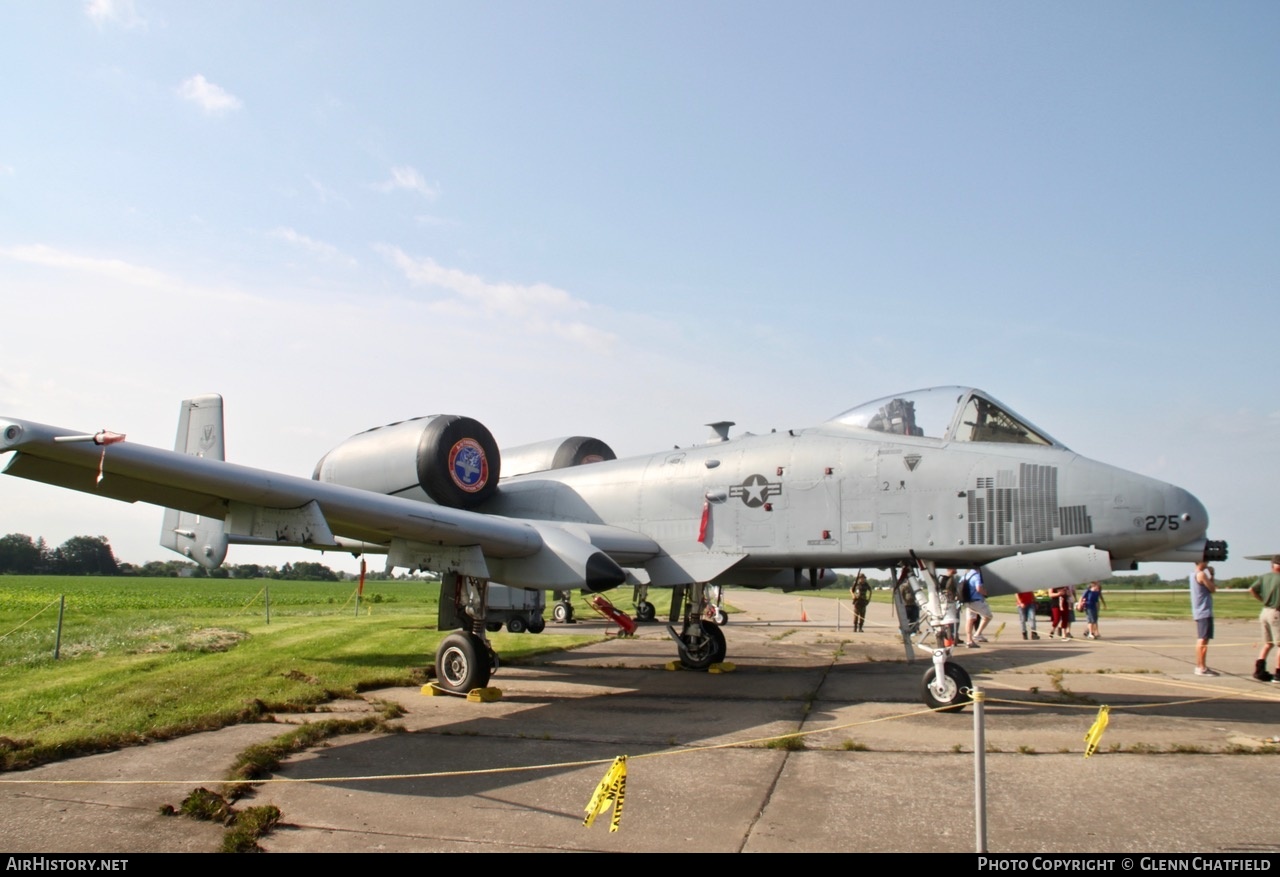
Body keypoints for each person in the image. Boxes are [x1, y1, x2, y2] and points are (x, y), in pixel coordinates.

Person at [1248, 555, 1280, 683]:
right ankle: (1278, 673)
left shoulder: (1264, 577)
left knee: (1268, 643)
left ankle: (1259, 671)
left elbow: (1251, 589)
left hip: (1265, 611)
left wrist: (1262, 599)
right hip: (1276, 612)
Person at [1190, 560, 1217, 676]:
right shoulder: (1201, 574)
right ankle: (1201, 667)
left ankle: (1201, 666)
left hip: (1199, 610)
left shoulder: (1193, 574)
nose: (1208, 562)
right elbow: (1213, 589)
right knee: (1203, 640)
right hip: (1204, 611)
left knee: (1202, 639)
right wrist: (1212, 575)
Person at [963, 568, 993, 647]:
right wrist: (985, 593)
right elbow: (978, 588)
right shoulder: (977, 576)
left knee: (970, 620)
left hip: (967, 601)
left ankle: (969, 640)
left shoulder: (965, 576)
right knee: (988, 616)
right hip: (976, 600)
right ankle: (978, 634)